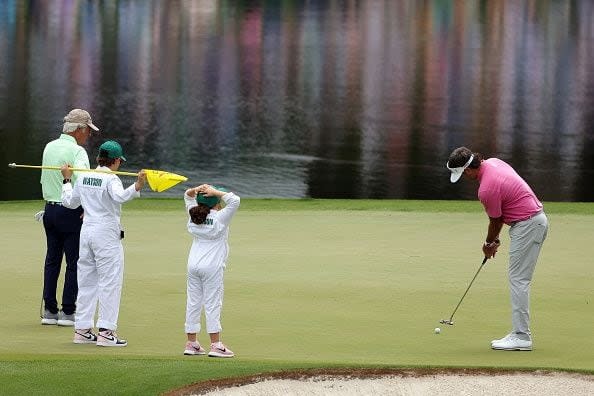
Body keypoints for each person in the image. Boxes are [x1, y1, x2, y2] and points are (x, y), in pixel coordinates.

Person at [446, 147, 548, 351]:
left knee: (518, 280)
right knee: (519, 279)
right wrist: (495, 241)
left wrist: (488, 245)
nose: (464, 178)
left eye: (462, 174)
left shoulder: (486, 189)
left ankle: (521, 336)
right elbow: (501, 215)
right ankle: (520, 334)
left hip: (528, 225)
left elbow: (495, 220)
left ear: (467, 170)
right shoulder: (493, 162)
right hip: (532, 222)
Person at [60, 140, 146, 347]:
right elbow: (120, 197)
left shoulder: (85, 175)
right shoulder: (111, 178)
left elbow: (69, 202)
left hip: (87, 231)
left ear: (99, 158)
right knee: (110, 281)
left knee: (87, 280)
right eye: (119, 161)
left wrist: (66, 180)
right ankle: (107, 332)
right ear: (115, 160)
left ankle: (82, 329)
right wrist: (138, 185)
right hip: (106, 233)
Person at [39, 108, 99, 326]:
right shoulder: (78, 152)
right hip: (71, 212)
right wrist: (88, 208)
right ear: (79, 129)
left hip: (50, 211)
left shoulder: (49, 146)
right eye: (88, 130)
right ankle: (68, 311)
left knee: (52, 260)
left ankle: (49, 310)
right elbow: (83, 183)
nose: (89, 135)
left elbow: (45, 180)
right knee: (75, 261)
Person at [183, 184, 240, 357]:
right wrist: (216, 192)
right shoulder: (220, 217)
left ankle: (192, 343)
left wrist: (197, 189)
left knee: (193, 302)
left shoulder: (193, 214)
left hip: (193, 264)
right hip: (212, 267)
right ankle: (215, 345)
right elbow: (235, 200)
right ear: (216, 202)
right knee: (213, 303)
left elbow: (187, 195)